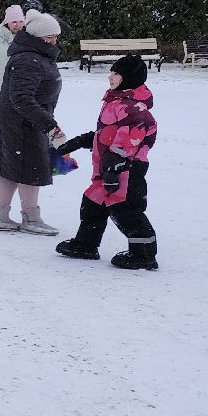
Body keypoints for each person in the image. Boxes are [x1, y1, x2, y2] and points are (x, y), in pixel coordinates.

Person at [54, 54, 159, 270]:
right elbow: (109, 133)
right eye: (112, 72)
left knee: (126, 210)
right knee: (93, 203)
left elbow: (129, 143)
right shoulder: (117, 101)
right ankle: (86, 244)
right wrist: (84, 140)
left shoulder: (134, 110)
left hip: (126, 170)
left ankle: (143, 254)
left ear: (128, 78)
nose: (110, 77)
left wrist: (114, 167)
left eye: (116, 73)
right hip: (107, 168)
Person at [0, 10, 64, 234]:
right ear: (38, 37)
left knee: (12, 170)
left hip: (22, 122)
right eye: (49, 37)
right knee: (30, 170)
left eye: (55, 36)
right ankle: (30, 218)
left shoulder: (34, 55)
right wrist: (48, 124)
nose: (53, 41)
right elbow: (21, 98)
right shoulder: (29, 58)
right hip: (22, 124)